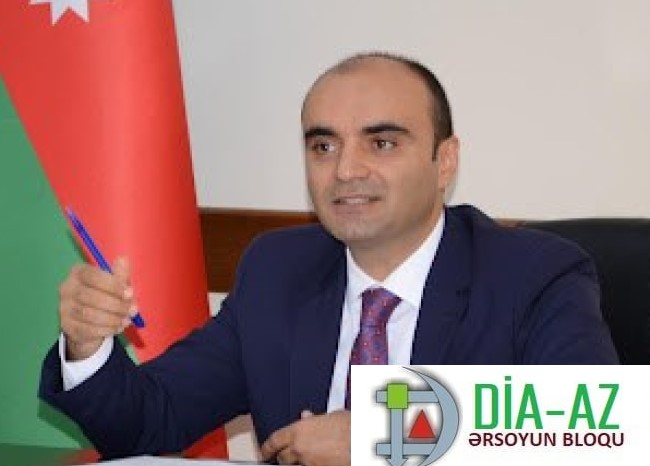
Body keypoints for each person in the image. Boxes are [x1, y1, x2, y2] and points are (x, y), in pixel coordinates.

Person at [39, 52, 619, 466]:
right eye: (323, 145)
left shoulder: (534, 273)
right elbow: (149, 420)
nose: (345, 169)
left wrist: (380, 435)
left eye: (381, 143)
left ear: (445, 162)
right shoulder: (278, 270)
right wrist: (87, 347)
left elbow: (594, 427)